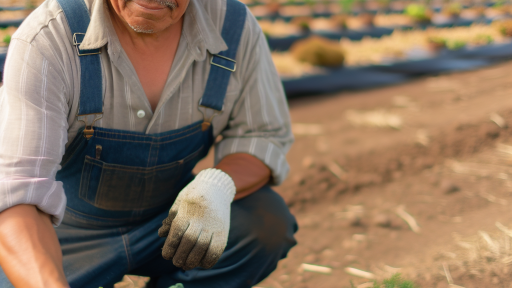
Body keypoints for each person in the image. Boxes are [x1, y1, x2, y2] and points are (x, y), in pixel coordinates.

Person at [0, 0, 298, 287]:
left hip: (170, 221)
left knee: (263, 224)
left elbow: (262, 135)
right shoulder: (49, 38)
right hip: (65, 233)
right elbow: (20, 189)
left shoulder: (234, 27)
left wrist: (215, 186)